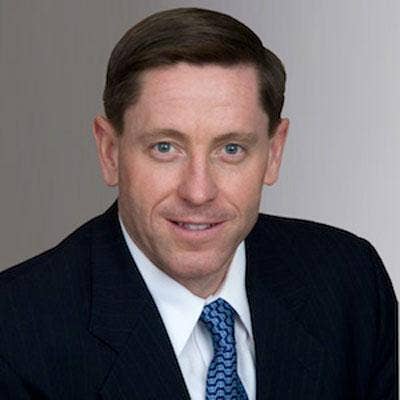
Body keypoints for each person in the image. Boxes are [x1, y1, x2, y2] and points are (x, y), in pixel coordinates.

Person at [0, 7, 397, 400]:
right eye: (165, 147)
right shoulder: (15, 333)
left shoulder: (349, 280)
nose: (198, 192)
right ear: (110, 152)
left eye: (231, 149)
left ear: (274, 153)